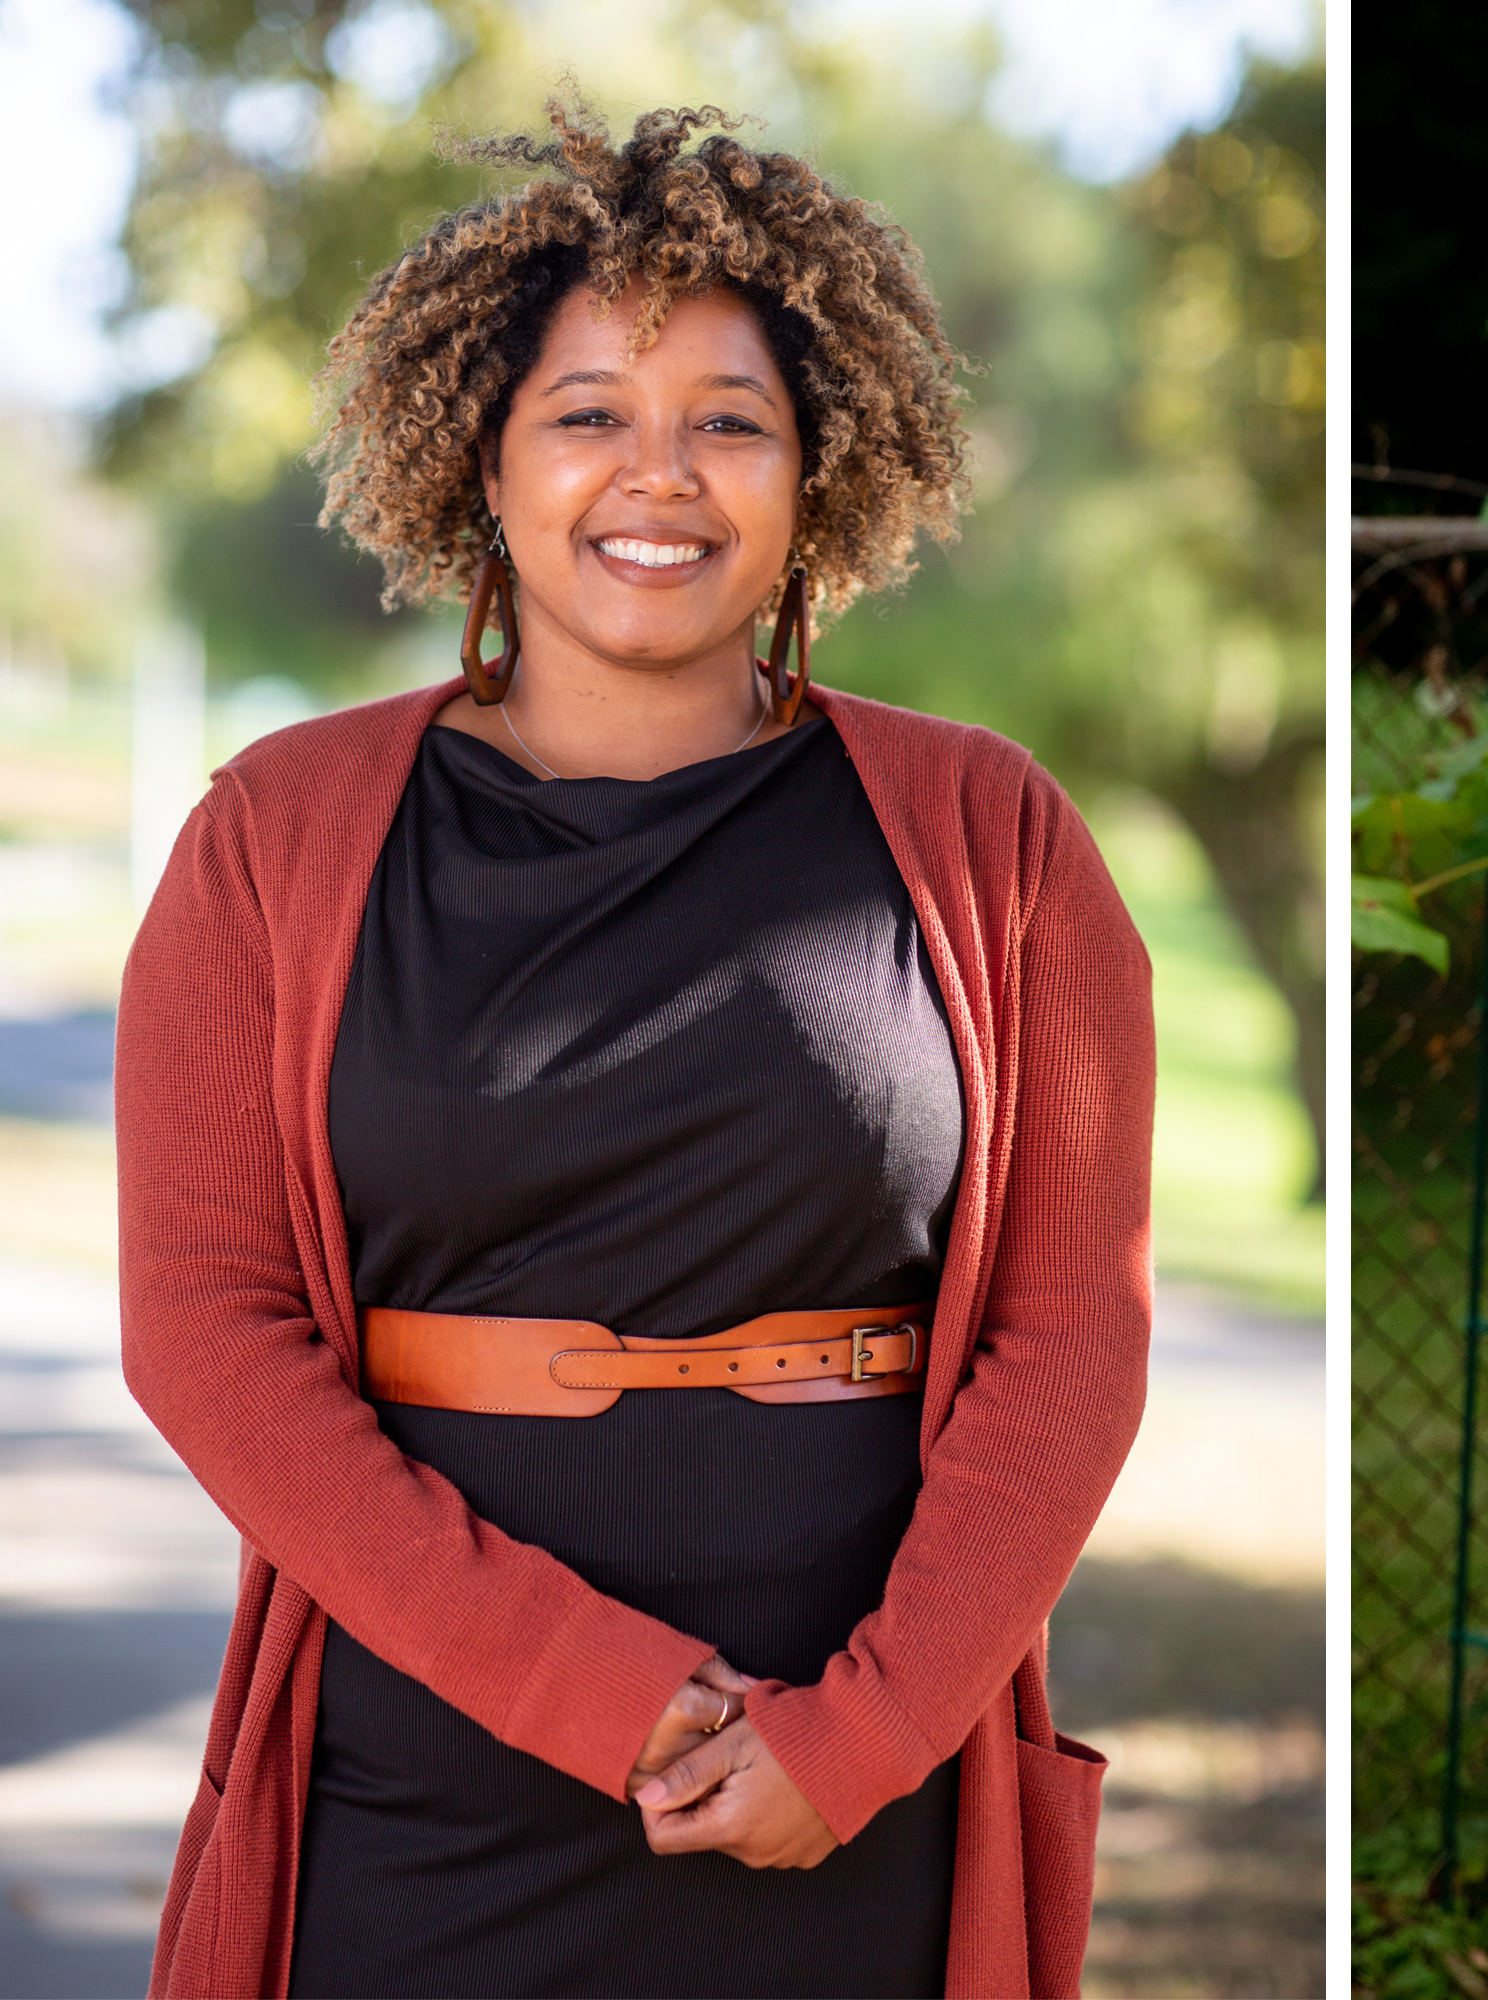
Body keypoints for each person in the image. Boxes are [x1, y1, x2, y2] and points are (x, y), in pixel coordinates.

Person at [116, 100, 1152, 2000]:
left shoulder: (992, 837)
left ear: (818, 470)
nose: (656, 475)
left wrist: (856, 1733)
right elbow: (207, 1329)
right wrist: (594, 1689)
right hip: (424, 1786)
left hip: (859, 1784)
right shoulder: (274, 836)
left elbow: (1071, 1342)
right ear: (484, 464)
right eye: (588, 411)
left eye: (729, 421)